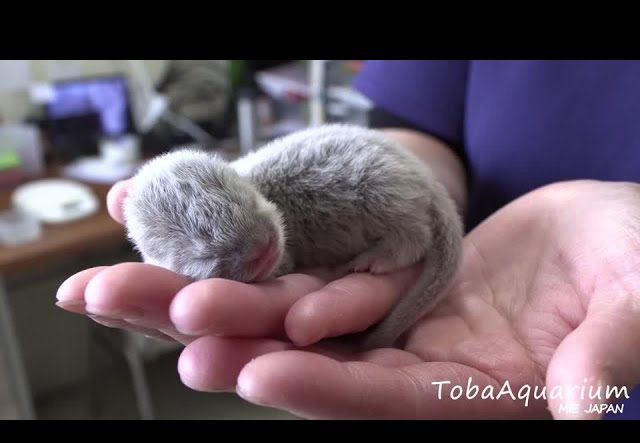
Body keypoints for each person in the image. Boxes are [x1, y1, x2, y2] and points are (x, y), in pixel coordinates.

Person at [56, 60, 640, 420]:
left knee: (590, 399)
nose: (260, 253)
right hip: (472, 273)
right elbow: (418, 128)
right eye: (218, 259)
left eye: (256, 226)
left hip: (537, 311)